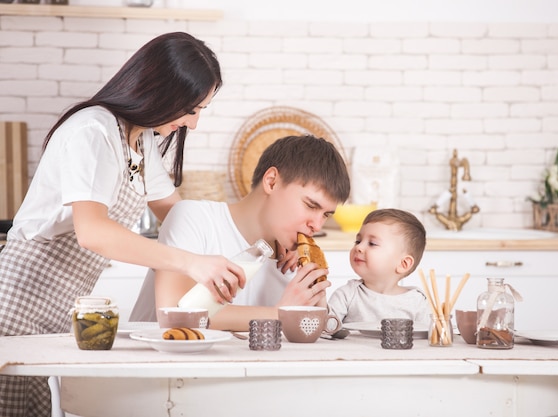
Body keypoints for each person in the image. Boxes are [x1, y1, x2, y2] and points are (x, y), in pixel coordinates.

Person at [0, 32, 251, 417]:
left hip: (61, 303)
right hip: (19, 295)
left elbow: (177, 212)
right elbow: (93, 231)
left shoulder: (141, 140)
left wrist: (249, 245)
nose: (193, 124)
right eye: (190, 109)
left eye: (201, 110)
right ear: (159, 92)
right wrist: (191, 263)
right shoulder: (93, 131)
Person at [129, 134, 351, 331]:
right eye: (311, 206)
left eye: (326, 214)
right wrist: (280, 315)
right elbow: (175, 317)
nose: (317, 225)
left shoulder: (291, 264)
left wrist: (317, 301)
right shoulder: (194, 218)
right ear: (272, 182)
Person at [326, 208, 430, 325]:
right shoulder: (347, 295)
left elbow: (426, 339)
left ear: (403, 264)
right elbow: (326, 330)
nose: (358, 247)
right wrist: (319, 299)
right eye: (358, 241)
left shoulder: (416, 301)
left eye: (372, 243)